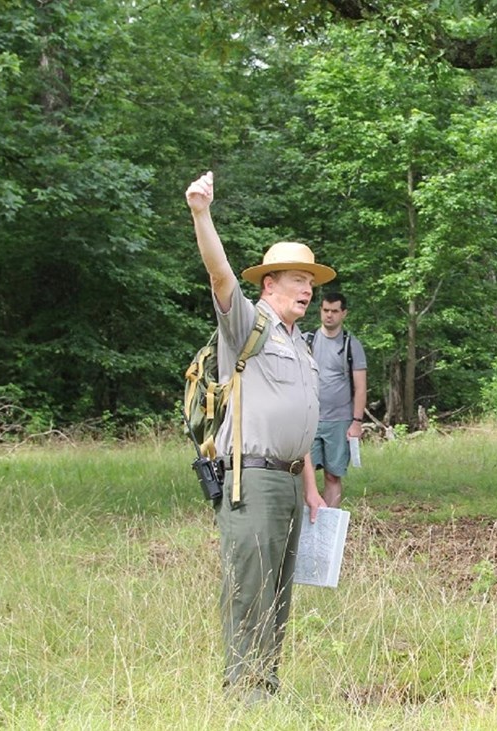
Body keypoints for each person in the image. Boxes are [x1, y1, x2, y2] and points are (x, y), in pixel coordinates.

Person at [185, 171, 329, 703]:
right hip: (251, 479)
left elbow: (303, 422)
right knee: (250, 588)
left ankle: (266, 686)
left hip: (290, 483)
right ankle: (244, 695)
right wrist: (203, 214)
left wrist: (310, 485)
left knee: (278, 592)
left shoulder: (303, 343)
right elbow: (221, 277)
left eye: (311, 283)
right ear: (268, 285)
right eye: (297, 280)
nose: (308, 290)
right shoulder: (248, 325)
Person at [307, 292, 367, 508]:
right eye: (325, 310)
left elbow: (360, 387)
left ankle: (329, 526)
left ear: (344, 313)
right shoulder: (307, 340)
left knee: (333, 476)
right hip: (309, 420)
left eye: (334, 311)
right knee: (306, 476)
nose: (329, 316)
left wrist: (356, 422)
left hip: (340, 420)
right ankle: (306, 528)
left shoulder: (352, 345)